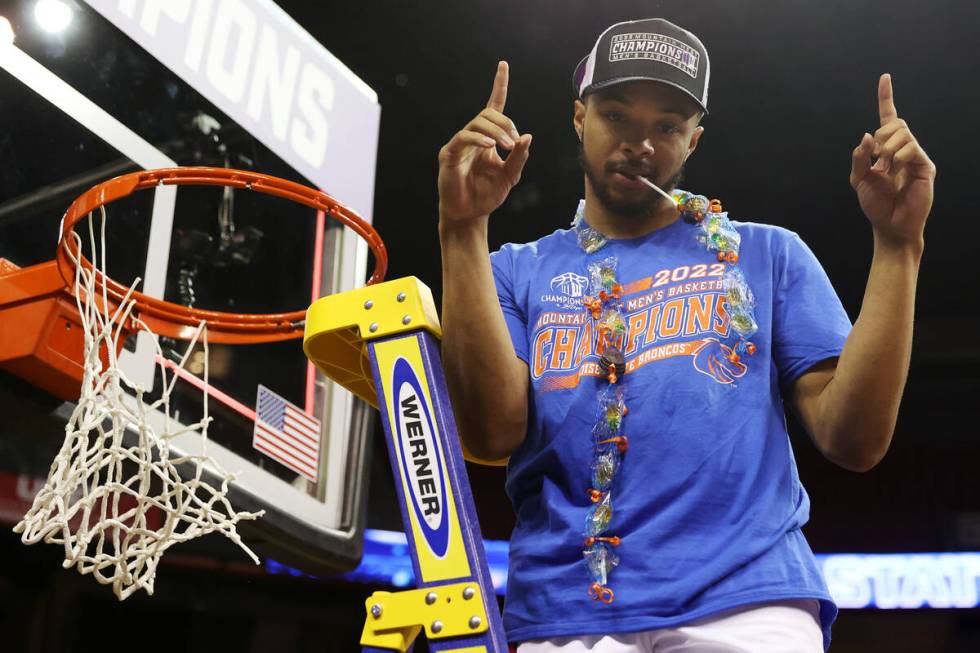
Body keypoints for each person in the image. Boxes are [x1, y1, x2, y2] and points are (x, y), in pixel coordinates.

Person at [437, 17, 934, 653]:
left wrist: (898, 245)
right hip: (565, 614)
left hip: (747, 605)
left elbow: (853, 439)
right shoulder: (514, 269)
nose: (640, 143)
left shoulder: (767, 255)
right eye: (617, 115)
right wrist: (462, 229)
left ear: (693, 141)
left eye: (667, 125)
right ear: (578, 117)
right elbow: (491, 432)